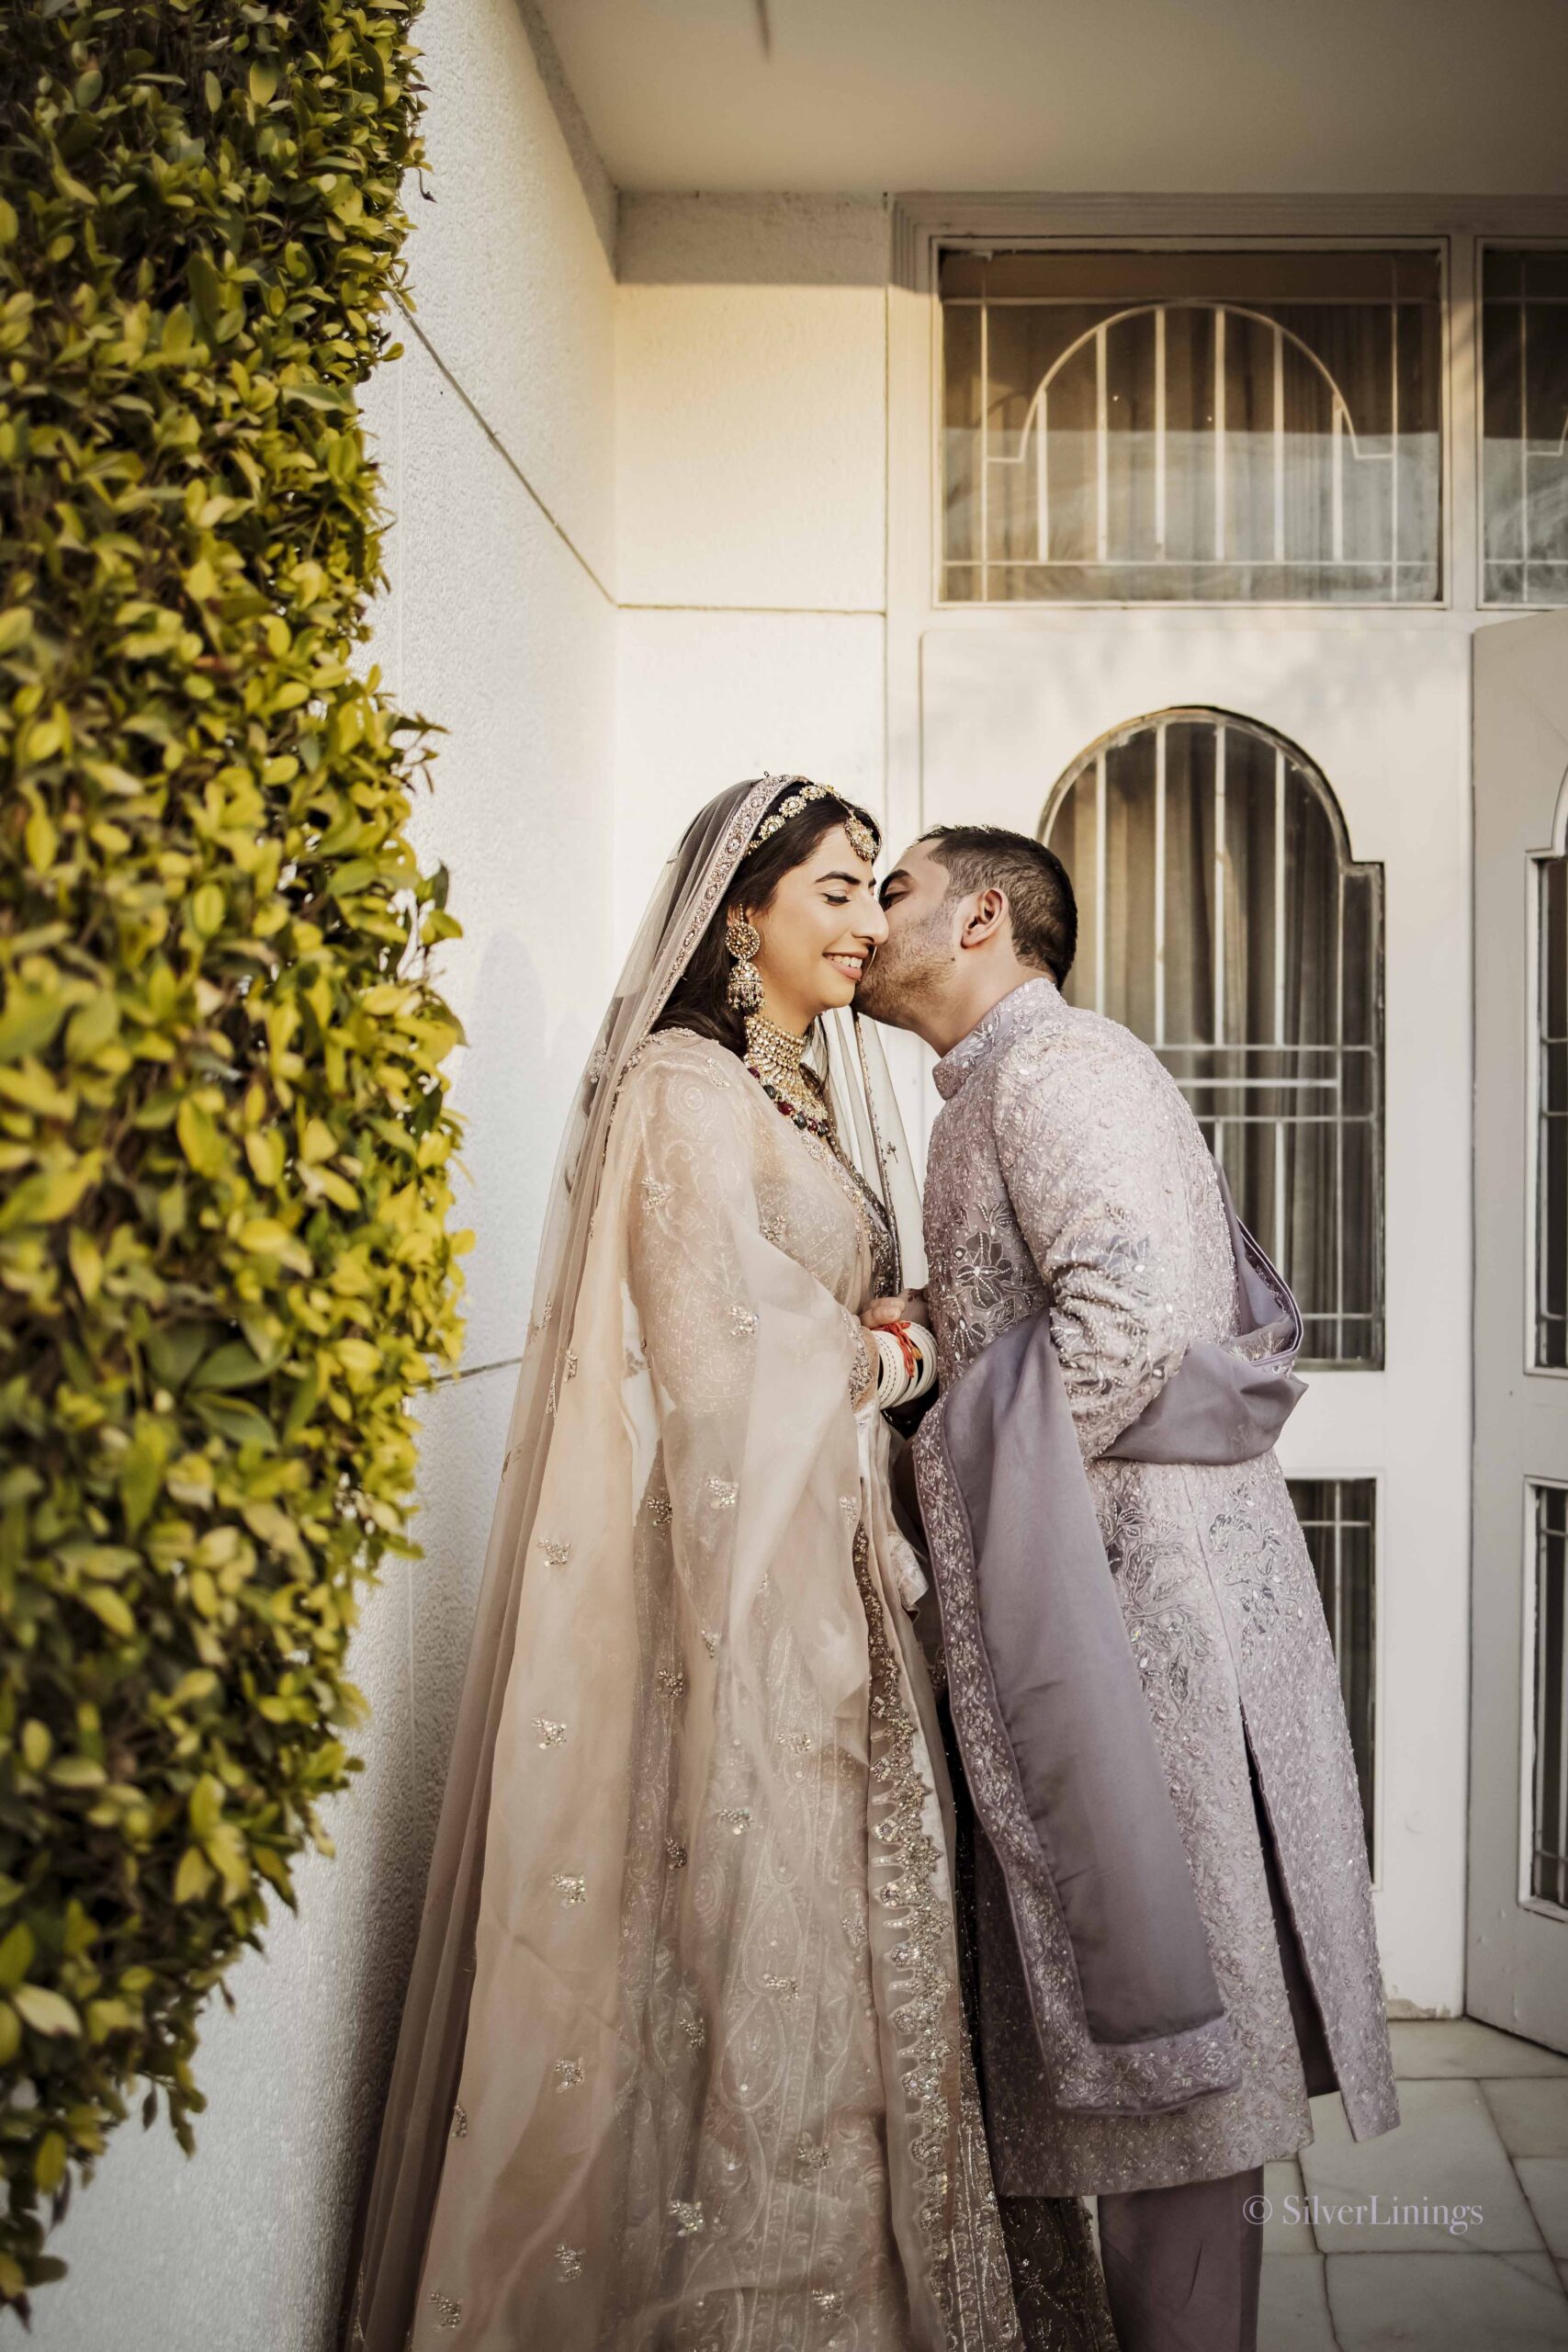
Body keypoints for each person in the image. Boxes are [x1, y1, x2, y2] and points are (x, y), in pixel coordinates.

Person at [344, 780, 1119, 2351]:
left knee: (842, 1958)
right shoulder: (683, 1086)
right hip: (739, 1584)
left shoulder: (799, 1096)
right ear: (741, 913)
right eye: (835, 890)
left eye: (875, 891)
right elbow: (711, 1361)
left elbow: (809, 1311)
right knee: (761, 1954)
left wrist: (892, 1324)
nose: (867, 923)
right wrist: (897, 1359)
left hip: (827, 1568)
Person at [855, 825, 1401, 2352]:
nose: (870, 920)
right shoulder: (1009, 1080)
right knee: (1159, 2083)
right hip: (1110, 1602)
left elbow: (1128, 1326)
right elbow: (1047, 1311)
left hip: (1136, 1621)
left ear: (981, 915)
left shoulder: (1054, 1070)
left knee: (1179, 2078)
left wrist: (937, 1444)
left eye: (892, 890)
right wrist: (939, 1333)